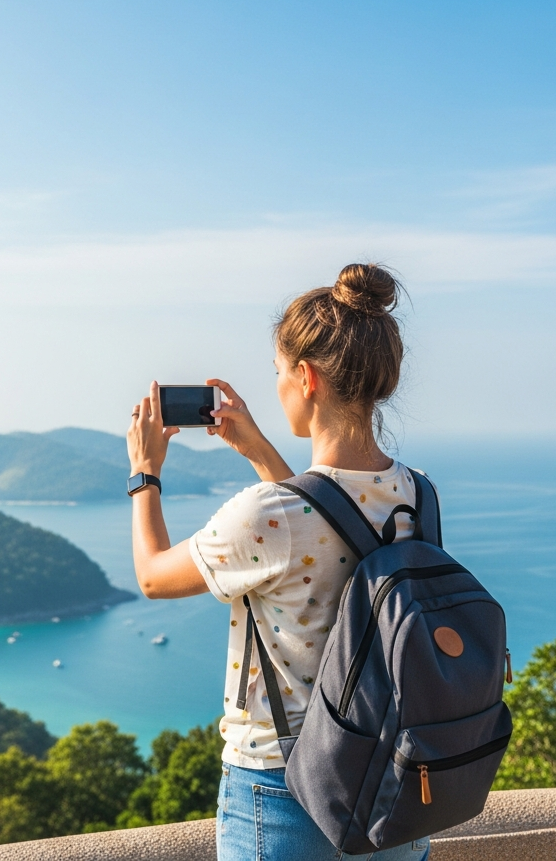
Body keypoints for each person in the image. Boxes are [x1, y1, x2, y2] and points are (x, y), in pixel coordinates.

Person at [127, 263, 430, 860]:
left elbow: (153, 576)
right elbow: (325, 528)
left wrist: (145, 474)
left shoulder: (268, 515)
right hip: (394, 784)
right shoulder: (417, 492)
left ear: (306, 377)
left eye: (278, 372)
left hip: (284, 787)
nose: (277, 386)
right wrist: (260, 450)